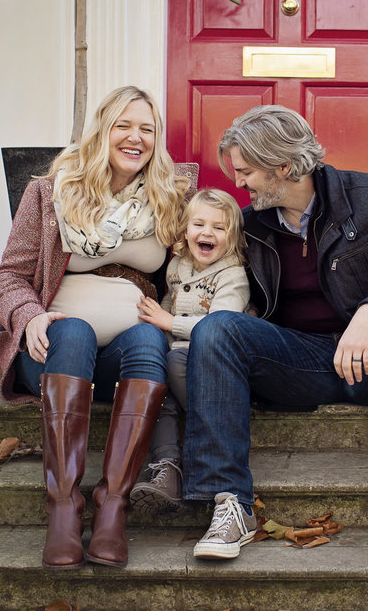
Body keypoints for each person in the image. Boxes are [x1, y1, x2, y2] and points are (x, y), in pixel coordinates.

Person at [182, 105, 368, 567]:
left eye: (246, 172)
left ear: (284, 166)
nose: (239, 184)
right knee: (217, 329)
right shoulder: (254, 223)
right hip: (301, 363)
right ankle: (230, 504)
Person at [0, 86, 188, 570]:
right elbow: (10, 274)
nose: (135, 138)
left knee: (146, 338)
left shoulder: (168, 197)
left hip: (123, 354)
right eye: (124, 125)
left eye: (147, 128)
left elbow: (198, 266)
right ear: (102, 129)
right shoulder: (50, 191)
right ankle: (63, 505)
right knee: (73, 330)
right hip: (56, 355)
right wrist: (30, 315)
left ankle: (112, 504)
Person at [129, 188, 250, 514]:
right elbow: (167, 305)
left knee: (176, 362)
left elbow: (221, 328)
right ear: (185, 230)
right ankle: (167, 471)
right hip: (175, 360)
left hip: (211, 363)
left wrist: (169, 322)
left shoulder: (233, 275)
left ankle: (208, 436)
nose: (207, 233)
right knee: (159, 392)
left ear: (233, 236)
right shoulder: (177, 266)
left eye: (219, 227)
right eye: (199, 224)